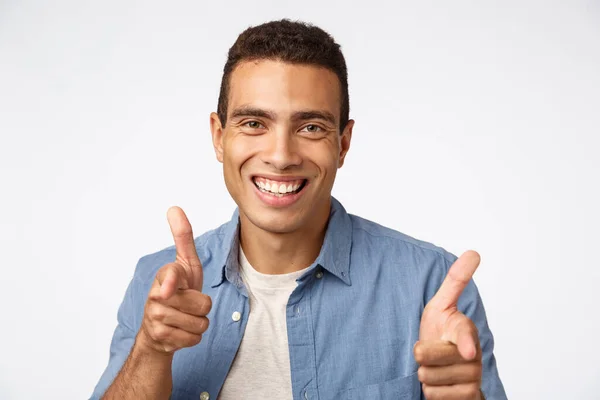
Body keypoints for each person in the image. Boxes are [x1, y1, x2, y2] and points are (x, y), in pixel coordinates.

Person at [91, 19, 506, 400]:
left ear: (342, 144)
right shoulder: (157, 283)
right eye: (254, 123)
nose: (281, 155)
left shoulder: (433, 287)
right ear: (219, 137)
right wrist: (151, 349)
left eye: (311, 127)